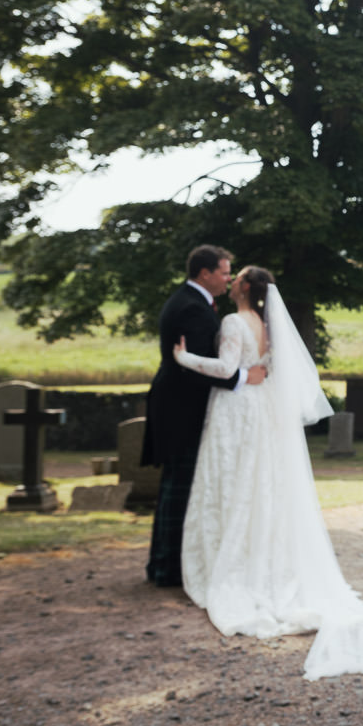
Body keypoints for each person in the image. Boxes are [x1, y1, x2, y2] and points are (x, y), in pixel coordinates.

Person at [172, 265, 363, 680]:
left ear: (244, 287)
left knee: (229, 483)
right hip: (261, 410)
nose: (231, 282)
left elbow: (227, 369)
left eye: (235, 276)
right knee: (260, 486)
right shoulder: (266, 324)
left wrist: (185, 357)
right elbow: (271, 373)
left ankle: (231, 560)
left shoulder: (232, 321)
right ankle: (263, 556)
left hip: (236, 410)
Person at [142, 245, 266, 588]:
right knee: (179, 488)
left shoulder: (192, 302)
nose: (228, 279)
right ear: (205, 273)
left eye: (231, 274)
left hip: (184, 406)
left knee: (180, 487)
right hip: (182, 410)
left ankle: (168, 566)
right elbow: (200, 368)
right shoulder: (191, 309)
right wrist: (243, 378)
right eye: (225, 272)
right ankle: (168, 570)